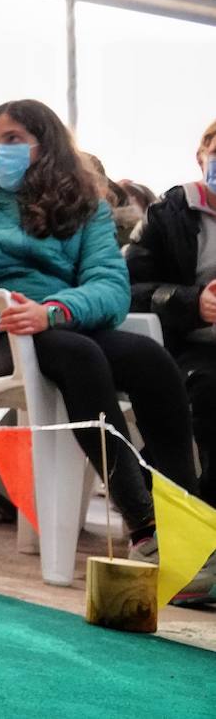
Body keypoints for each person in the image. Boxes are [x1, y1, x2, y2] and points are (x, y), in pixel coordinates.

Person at [0, 99, 213, 604]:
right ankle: (145, 529)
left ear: (47, 144)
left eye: (13, 139)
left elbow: (110, 286)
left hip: (62, 323)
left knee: (153, 362)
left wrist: (54, 310)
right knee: (81, 357)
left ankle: (190, 532)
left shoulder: (86, 210)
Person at [126, 120, 216, 507]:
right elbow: (127, 293)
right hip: (189, 348)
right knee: (211, 394)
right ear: (201, 158)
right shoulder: (169, 214)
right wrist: (192, 302)